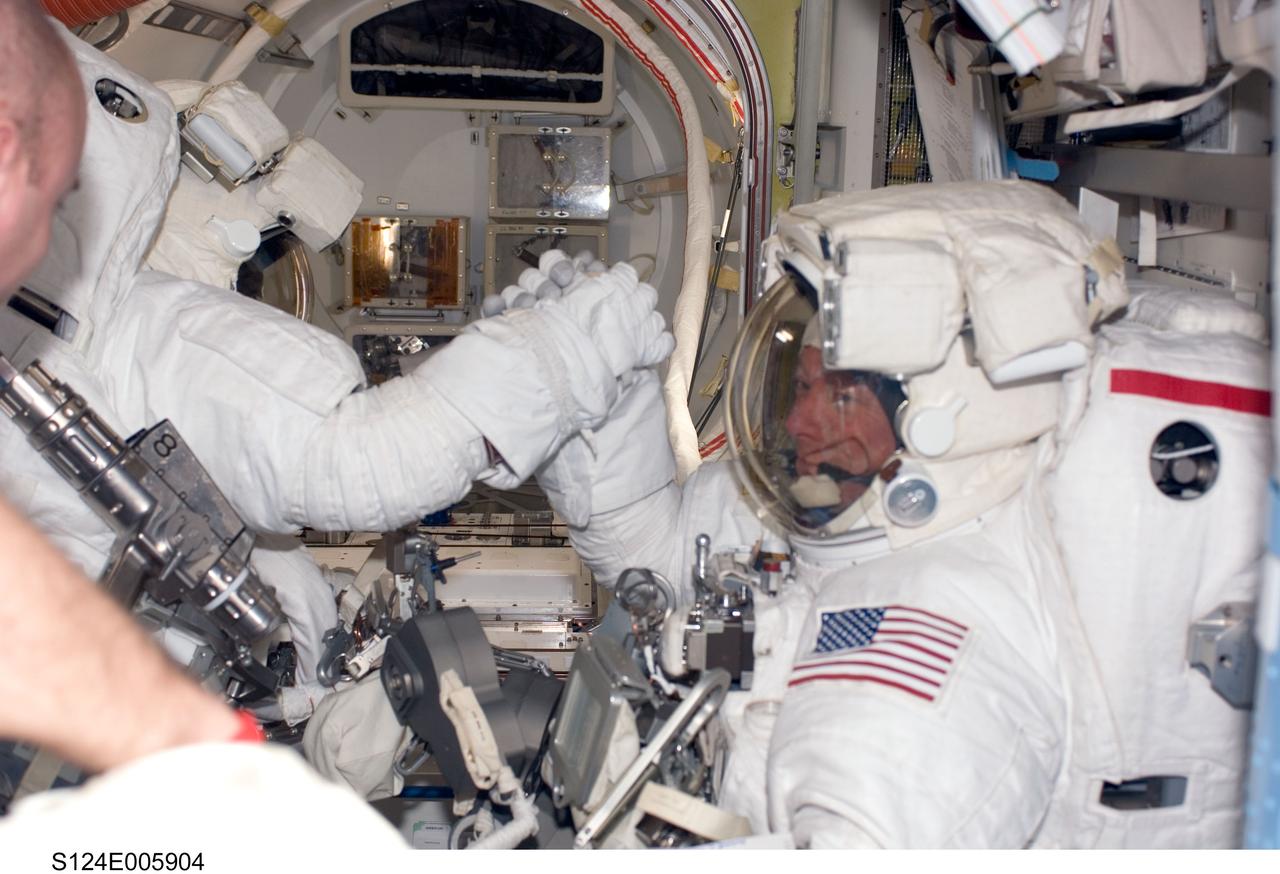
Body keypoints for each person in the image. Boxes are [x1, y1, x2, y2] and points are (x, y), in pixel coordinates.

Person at [523, 178, 1265, 847]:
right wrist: (599, 410)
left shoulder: (937, 617)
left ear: (940, 422)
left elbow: (871, 812)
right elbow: (660, 554)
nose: (801, 421)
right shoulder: (831, 506)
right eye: (804, 384)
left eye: (840, 395)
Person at [3, 13, 672, 726]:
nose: (261, 278)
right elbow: (356, 462)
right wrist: (565, 352)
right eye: (267, 248)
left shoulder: (51, 321)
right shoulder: (152, 333)